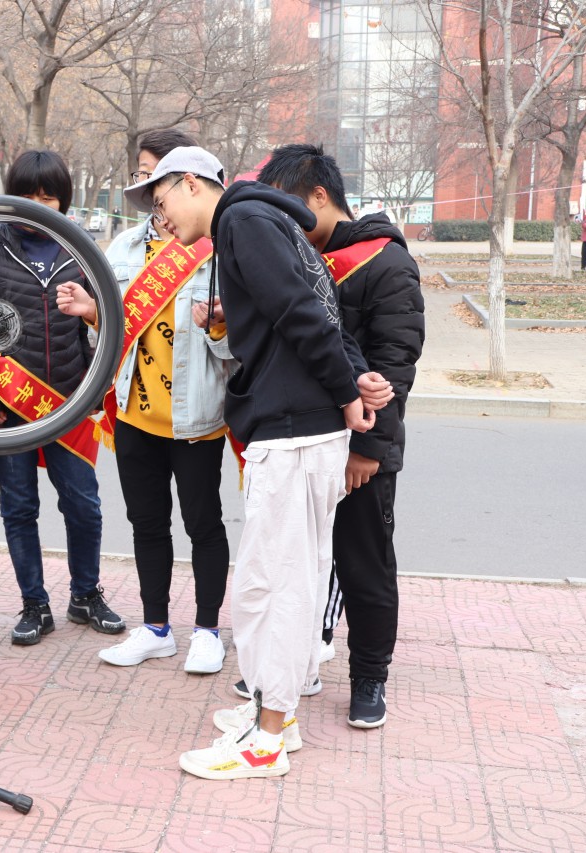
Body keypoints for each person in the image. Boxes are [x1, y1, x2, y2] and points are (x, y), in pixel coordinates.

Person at [122, 147, 390, 780]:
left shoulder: (243, 221)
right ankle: (277, 715)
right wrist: (351, 376)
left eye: (161, 201)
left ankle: (268, 740)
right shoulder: (265, 222)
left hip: (295, 430)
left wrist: (346, 390)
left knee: (275, 586)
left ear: (192, 184)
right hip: (299, 426)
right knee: (280, 581)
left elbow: (303, 313)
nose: (160, 219)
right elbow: (320, 308)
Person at [242, 143, 425, 730]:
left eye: (290, 206)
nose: (282, 220)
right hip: (305, 438)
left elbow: (395, 365)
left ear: (319, 196)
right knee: (298, 565)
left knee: (364, 564)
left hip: (362, 447)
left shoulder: (386, 262)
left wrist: (368, 450)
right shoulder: (299, 254)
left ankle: (370, 676)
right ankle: (297, 667)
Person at [59, 129, 236, 675]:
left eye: (153, 176)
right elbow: (114, 334)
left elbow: (237, 348)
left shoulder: (219, 249)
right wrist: (92, 311)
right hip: (135, 413)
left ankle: (207, 630)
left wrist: (218, 328)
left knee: (203, 524)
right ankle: (156, 627)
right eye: (141, 175)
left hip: (197, 416)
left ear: (185, 182)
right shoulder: (124, 249)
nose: (147, 187)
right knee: (146, 523)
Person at [0, 149, 124, 646]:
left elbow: (107, 319)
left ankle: (86, 595)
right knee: (19, 507)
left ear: (63, 200)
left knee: (84, 504)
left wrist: (95, 383)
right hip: (9, 402)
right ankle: (34, 604)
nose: (37, 204)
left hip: (69, 400)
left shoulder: (80, 246)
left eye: (47, 196)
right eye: (27, 195)